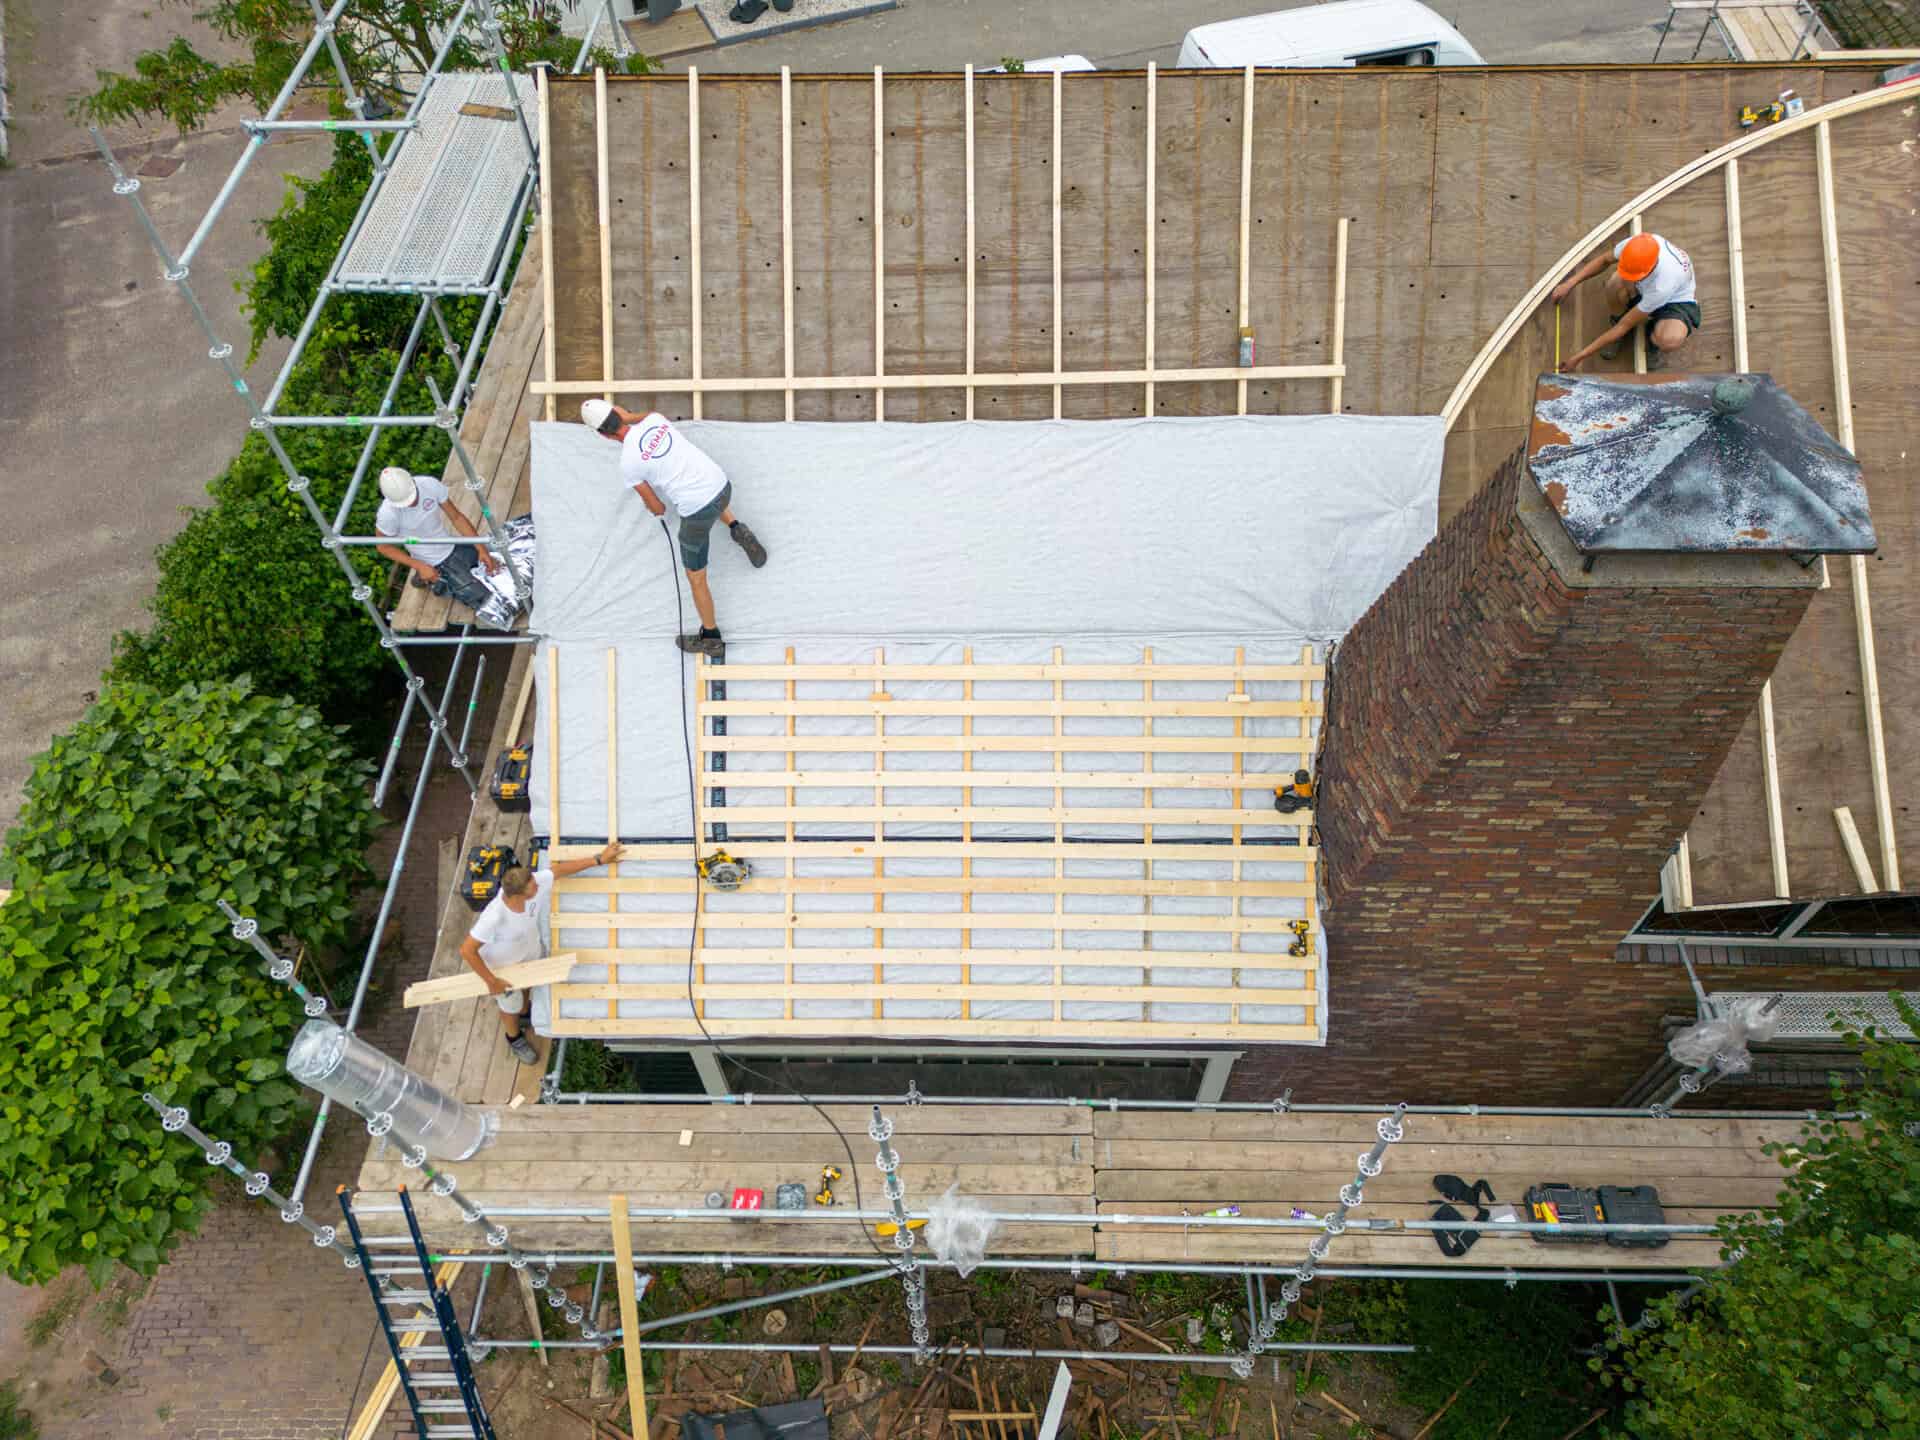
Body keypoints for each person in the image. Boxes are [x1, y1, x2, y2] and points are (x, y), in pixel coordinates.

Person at [580, 400, 768, 656]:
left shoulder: (628, 464)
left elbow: (658, 508)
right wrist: (629, 415)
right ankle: (737, 529)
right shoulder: (656, 420)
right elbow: (641, 416)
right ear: (619, 412)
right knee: (709, 497)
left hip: (698, 511)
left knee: (696, 577)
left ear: (602, 435)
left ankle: (711, 638)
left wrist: (652, 506)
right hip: (723, 487)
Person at [459, 842, 625, 1064]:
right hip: (503, 970)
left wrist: (598, 859)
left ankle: (525, 1011)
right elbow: (467, 950)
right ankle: (514, 1037)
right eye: (533, 888)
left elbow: (558, 871)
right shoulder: (495, 917)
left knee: (525, 996)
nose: (538, 887)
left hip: (528, 953)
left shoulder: (532, 884)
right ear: (518, 895)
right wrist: (491, 981)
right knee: (511, 1005)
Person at [1550, 232, 1700, 372]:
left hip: (1675, 299)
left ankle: (1653, 337)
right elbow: (1604, 260)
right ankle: (1619, 317)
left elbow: (1625, 325)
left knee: (1669, 339)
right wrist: (1569, 283)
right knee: (1614, 285)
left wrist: (1578, 357)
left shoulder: (1663, 284)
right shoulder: (1635, 246)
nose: (1629, 278)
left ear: (1648, 271)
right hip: (1648, 289)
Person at [373, 466, 501, 612]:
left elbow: (456, 517)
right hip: (431, 562)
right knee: (484, 600)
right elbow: (383, 547)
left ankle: (425, 577)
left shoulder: (429, 484)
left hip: (451, 545)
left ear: (413, 483)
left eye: (412, 498)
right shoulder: (387, 514)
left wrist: (481, 548)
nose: (411, 503)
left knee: (496, 562)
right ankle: (428, 578)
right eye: (405, 503)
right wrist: (419, 566)